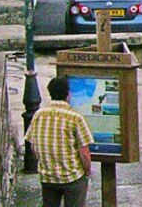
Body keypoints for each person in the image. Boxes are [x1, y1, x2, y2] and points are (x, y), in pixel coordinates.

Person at [25, 76, 94, 207]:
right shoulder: (75, 118)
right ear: (68, 95)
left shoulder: (38, 115)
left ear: (50, 93)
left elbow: (33, 146)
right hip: (72, 177)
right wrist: (87, 170)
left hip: (48, 177)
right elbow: (84, 152)